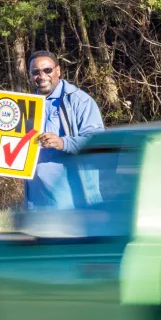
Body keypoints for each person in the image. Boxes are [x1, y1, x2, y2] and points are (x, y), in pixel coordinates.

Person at [25, 50, 105, 210]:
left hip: (73, 202)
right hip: (36, 202)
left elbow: (97, 142)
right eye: (35, 72)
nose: (42, 76)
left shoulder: (80, 101)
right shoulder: (26, 106)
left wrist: (62, 142)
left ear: (58, 71)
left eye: (47, 70)